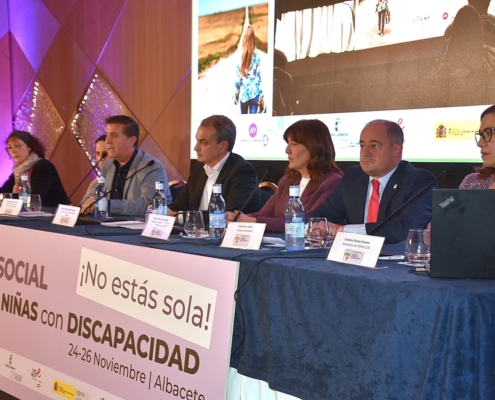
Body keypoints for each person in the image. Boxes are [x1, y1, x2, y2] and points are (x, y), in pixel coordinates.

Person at [308, 120, 435, 244]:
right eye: (362, 146)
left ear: (396, 150)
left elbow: (405, 228)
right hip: (353, 258)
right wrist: (315, 228)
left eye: (374, 146)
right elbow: (320, 216)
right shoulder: (353, 177)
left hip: (395, 261)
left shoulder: (418, 180)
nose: (365, 153)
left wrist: (341, 231)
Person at [227, 119, 343, 232]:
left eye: (294, 144)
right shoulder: (287, 181)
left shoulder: (333, 182)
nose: (287, 150)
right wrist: (237, 218)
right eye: (288, 143)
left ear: (314, 148)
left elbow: (307, 222)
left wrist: (254, 221)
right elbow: (263, 214)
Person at [168, 115, 261, 215]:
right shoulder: (199, 168)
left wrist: (187, 217)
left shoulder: (242, 171)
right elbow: (177, 206)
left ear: (223, 146)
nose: (196, 147)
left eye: (203, 142)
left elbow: (228, 215)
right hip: (196, 230)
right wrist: (161, 211)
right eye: (197, 141)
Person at [80, 115, 171, 216]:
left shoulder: (151, 167)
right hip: (108, 225)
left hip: (139, 229)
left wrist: (107, 205)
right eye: (107, 135)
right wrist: (87, 204)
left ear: (131, 141)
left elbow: (149, 204)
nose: (107, 141)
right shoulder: (108, 165)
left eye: (114, 135)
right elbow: (96, 195)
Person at [0, 131, 69, 207]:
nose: (13, 150)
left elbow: (34, 197)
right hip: (32, 216)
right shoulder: (18, 171)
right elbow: (4, 192)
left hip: (54, 215)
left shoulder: (43, 166)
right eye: (9, 147)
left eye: (17, 146)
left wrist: (5, 198)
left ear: (29, 146)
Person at [436, 5, 495, 77]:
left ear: (455, 30)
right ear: (479, 28)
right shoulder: (490, 57)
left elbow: (435, 83)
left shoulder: (445, 66)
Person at [460, 104, 495, 188]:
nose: (479, 143)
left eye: (489, 133)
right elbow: (445, 201)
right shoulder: (471, 183)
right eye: (481, 134)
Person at [233, 25, 264, 114]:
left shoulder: (240, 57)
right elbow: (258, 78)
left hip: (244, 96)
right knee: (253, 123)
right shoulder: (257, 56)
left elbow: (237, 80)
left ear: (244, 38)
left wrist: (235, 96)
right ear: (253, 38)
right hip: (255, 95)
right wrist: (261, 96)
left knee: (244, 122)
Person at [79, 134, 108, 204]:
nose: (101, 158)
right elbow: (82, 206)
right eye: (98, 154)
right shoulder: (95, 183)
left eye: (104, 154)